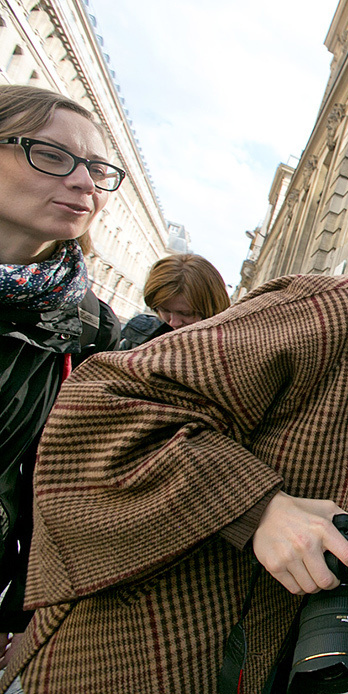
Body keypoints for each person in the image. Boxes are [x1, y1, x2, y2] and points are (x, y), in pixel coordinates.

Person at [0, 220, 348, 694]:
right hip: (135, 635)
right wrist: (260, 508)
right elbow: (105, 399)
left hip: (238, 641)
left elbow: (289, 450)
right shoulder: (342, 309)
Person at [0, 85, 122, 671]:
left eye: (98, 171)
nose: (84, 184)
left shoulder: (91, 327)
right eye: (50, 156)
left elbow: (65, 480)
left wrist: (26, 611)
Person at [118, 253, 231, 349]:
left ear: (211, 307)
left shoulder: (227, 350)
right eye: (164, 310)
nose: (173, 322)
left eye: (186, 313)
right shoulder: (139, 334)